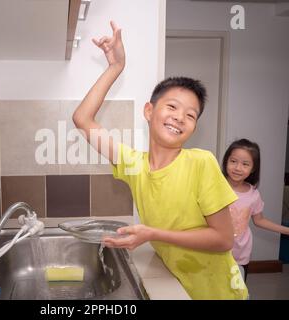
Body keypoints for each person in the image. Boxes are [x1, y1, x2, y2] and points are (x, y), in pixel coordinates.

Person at [72, 21, 248, 300]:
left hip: (218, 291)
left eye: (191, 115)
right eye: (172, 107)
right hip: (178, 283)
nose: (180, 117)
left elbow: (223, 239)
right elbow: (82, 119)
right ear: (149, 111)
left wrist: (153, 233)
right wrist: (115, 68)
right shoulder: (134, 165)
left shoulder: (201, 163)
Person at [222, 138, 289, 281]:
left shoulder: (253, 194)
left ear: (253, 168)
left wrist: (286, 230)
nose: (238, 168)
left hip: (240, 252)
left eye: (245, 164)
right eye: (233, 161)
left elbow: (259, 220)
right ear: (226, 161)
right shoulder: (216, 186)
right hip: (215, 250)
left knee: (237, 290)